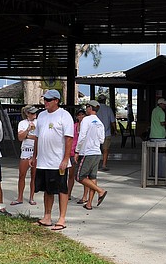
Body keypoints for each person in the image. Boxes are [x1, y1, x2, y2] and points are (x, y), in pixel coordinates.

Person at [31, 89, 75, 231]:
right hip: (43, 160)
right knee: (47, 190)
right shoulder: (42, 116)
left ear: (56, 100)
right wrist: (34, 156)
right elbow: (37, 137)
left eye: (49, 100)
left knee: (61, 189)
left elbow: (69, 138)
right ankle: (47, 216)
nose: (46, 103)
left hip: (57, 161)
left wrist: (65, 159)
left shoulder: (64, 115)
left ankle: (62, 218)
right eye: (45, 100)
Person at [75, 100, 107, 210]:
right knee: (93, 177)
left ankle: (100, 191)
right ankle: (89, 203)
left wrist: (77, 151)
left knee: (79, 176)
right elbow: (102, 140)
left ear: (90, 108)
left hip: (87, 153)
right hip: (97, 152)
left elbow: (82, 136)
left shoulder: (86, 120)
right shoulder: (100, 122)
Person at [15, 105, 39, 205]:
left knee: (34, 176)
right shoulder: (22, 123)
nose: (34, 115)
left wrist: (27, 136)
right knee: (22, 175)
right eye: (32, 113)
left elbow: (39, 137)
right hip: (26, 150)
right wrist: (28, 130)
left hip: (36, 150)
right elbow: (20, 137)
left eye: (35, 113)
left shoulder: (39, 122)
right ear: (27, 114)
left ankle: (31, 197)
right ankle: (20, 197)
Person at [95, 94, 117, 171]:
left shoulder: (96, 109)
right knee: (105, 149)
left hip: (96, 133)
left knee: (96, 149)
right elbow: (113, 121)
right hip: (106, 133)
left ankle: (96, 165)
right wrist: (115, 130)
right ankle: (104, 164)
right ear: (105, 100)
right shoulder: (108, 109)